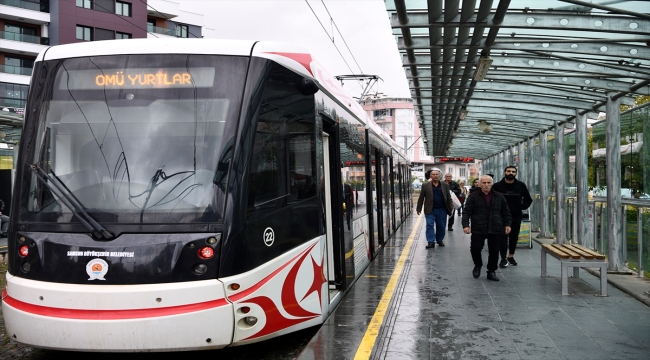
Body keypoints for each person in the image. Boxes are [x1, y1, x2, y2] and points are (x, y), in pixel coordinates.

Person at [462, 175, 512, 281]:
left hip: (496, 227)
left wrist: (507, 224)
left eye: (488, 183)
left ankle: (491, 271)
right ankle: (478, 264)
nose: (486, 185)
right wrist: (466, 225)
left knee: (494, 251)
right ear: (480, 184)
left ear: (492, 184)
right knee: (475, 248)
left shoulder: (499, 196)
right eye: (484, 183)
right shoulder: (473, 196)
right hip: (478, 227)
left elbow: (506, 212)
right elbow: (466, 212)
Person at [492, 166, 533, 267]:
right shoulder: (497, 186)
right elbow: (491, 199)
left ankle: (511, 256)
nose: (511, 173)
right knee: (502, 237)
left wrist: (521, 207)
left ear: (516, 174)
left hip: (516, 215)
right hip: (501, 216)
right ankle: (503, 258)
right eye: (509, 171)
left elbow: (528, 199)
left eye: (513, 172)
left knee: (514, 236)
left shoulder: (521, 185)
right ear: (504, 172)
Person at [416, 169, 453, 248]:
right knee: (429, 225)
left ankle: (439, 240)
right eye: (433, 174)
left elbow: (448, 197)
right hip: (430, 210)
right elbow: (421, 197)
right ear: (430, 176)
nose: (435, 176)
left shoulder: (445, 185)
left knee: (441, 226)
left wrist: (451, 207)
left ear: (439, 176)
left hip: (442, 209)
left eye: (437, 174)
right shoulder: (425, 185)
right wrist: (418, 208)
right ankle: (431, 241)